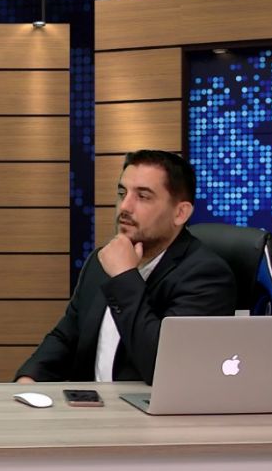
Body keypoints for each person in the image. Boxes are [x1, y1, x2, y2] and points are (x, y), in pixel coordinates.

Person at [15, 150, 236, 384]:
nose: (125, 206)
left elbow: (164, 365)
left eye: (143, 196)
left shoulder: (206, 276)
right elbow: (66, 337)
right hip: (92, 403)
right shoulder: (102, 261)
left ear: (180, 213)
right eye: (122, 193)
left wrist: (124, 276)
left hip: (151, 406)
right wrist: (29, 378)